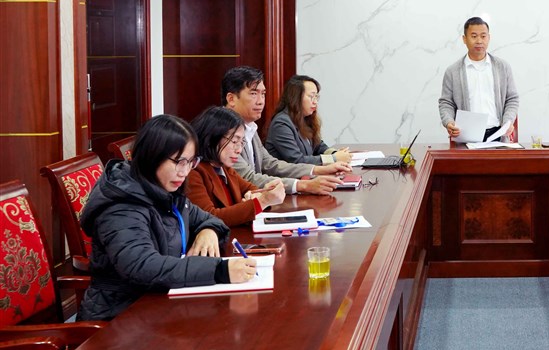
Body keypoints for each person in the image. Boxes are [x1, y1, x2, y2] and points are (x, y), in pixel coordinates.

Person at [78, 114, 256, 321]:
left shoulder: (165, 190)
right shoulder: (121, 206)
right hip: (120, 316)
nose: (185, 172)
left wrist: (208, 231)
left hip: (159, 302)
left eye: (190, 162)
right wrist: (220, 270)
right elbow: (142, 266)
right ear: (152, 156)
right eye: (179, 162)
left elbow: (210, 219)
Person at [222, 66, 347, 195]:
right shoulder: (222, 131)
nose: (260, 101)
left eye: (263, 94)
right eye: (253, 93)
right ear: (231, 99)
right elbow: (248, 178)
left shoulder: (249, 126)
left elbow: (270, 164)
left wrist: (318, 170)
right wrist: (302, 185)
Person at [186, 106, 286, 226]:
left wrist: (261, 193)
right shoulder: (193, 171)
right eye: (234, 141)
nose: (239, 150)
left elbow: (251, 189)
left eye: (241, 142)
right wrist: (263, 201)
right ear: (212, 137)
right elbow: (209, 217)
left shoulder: (224, 168)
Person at [439, 17, 519, 142]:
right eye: (474, 36)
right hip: (466, 135)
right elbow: (446, 102)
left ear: (489, 38)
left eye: (483, 36)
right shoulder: (453, 71)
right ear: (464, 39)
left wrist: (508, 121)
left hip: (498, 134)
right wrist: (448, 122)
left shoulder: (502, 67)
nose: (479, 41)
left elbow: (512, 98)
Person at [265, 75, 352, 166]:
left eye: (316, 97)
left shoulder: (304, 118)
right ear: (296, 97)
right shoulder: (281, 124)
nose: (315, 102)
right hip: (288, 175)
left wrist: (335, 153)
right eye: (311, 96)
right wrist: (333, 158)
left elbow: (318, 146)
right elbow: (297, 161)